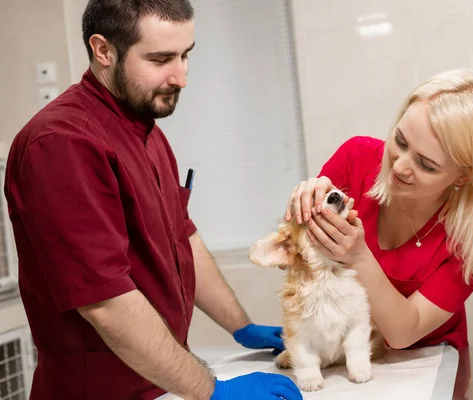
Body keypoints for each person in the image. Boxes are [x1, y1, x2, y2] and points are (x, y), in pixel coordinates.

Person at [3, 1, 302, 399]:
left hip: (161, 381)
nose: (180, 77)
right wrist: (212, 391)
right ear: (103, 50)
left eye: (185, 56)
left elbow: (183, 238)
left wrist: (241, 326)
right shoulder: (62, 145)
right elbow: (105, 303)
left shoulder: (146, 130)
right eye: (161, 59)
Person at [286, 68, 473, 351]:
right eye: (401, 142)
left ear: (463, 177)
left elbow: (404, 333)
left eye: (426, 164)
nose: (400, 166)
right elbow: (297, 259)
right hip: (350, 352)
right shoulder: (355, 158)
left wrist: (358, 257)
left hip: (428, 360)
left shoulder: (469, 237)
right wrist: (301, 211)